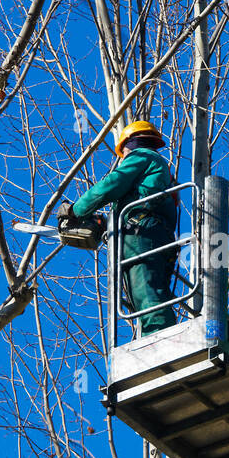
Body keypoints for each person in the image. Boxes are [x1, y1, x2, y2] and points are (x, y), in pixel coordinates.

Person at [68, 120, 178, 336]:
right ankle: (156, 336)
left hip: (141, 233)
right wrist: (107, 223)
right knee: (152, 291)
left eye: (123, 151)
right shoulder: (161, 170)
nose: (123, 156)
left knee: (145, 291)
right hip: (158, 234)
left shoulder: (143, 157)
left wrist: (77, 210)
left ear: (130, 143)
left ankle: (159, 339)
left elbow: (112, 184)